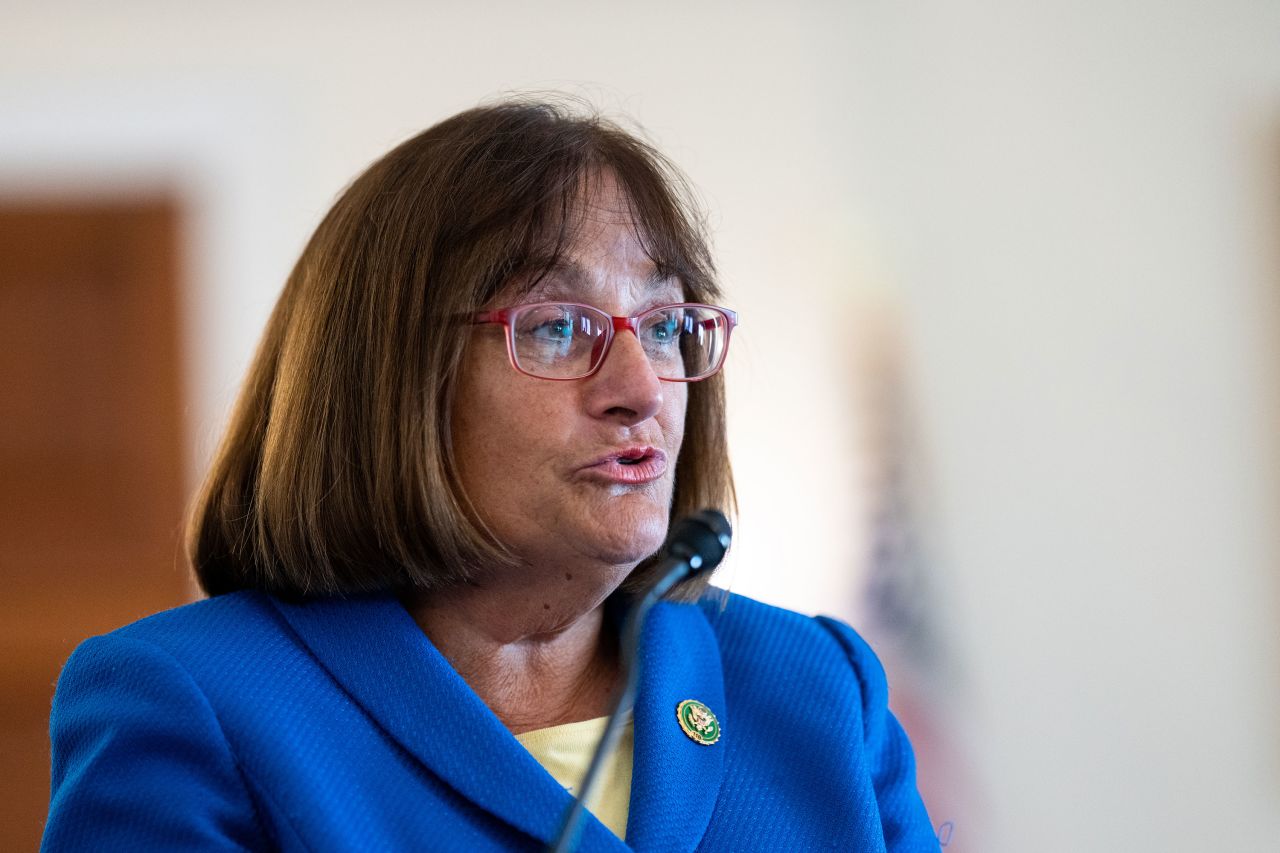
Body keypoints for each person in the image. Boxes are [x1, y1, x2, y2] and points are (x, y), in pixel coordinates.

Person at [42, 99, 939, 852]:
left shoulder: (817, 685)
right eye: (558, 326)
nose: (641, 390)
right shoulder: (195, 703)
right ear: (390, 378)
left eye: (665, 326)